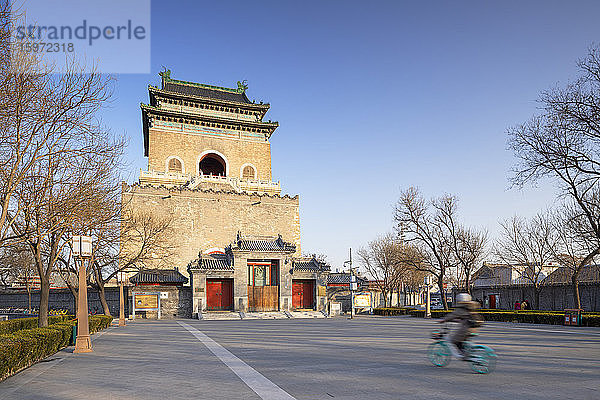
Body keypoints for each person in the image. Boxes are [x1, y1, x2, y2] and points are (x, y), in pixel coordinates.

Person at [439, 293, 483, 360]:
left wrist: (443, 320)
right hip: (474, 327)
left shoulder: (462, 308)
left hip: (466, 328)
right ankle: (467, 352)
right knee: (462, 341)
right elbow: (466, 317)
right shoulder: (471, 307)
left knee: (453, 340)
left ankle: (464, 356)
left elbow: (452, 315)